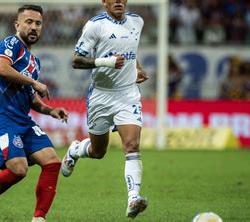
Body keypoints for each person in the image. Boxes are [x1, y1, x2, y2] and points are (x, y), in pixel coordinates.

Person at [0, 5, 68, 222]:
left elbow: (31, 98)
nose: (34, 27)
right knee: (18, 169)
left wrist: (50, 110)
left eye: (38, 23)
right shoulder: (10, 44)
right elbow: (1, 69)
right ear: (17, 25)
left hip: (23, 120)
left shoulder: (35, 62)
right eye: (29, 22)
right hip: (1, 118)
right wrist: (35, 82)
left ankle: (39, 218)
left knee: (52, 162)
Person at [60, 0, 149, 219]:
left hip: (128, 94)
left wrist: (136, 67)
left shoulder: (137, 22)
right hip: (101, 95)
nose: (118, 1)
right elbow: (76, 60)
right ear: (105, 2)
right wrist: (106, 63)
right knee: (98, 152)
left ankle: (133, 198)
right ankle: (76, 150)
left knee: (132, 145)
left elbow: (129, 49)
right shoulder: (94, 25)